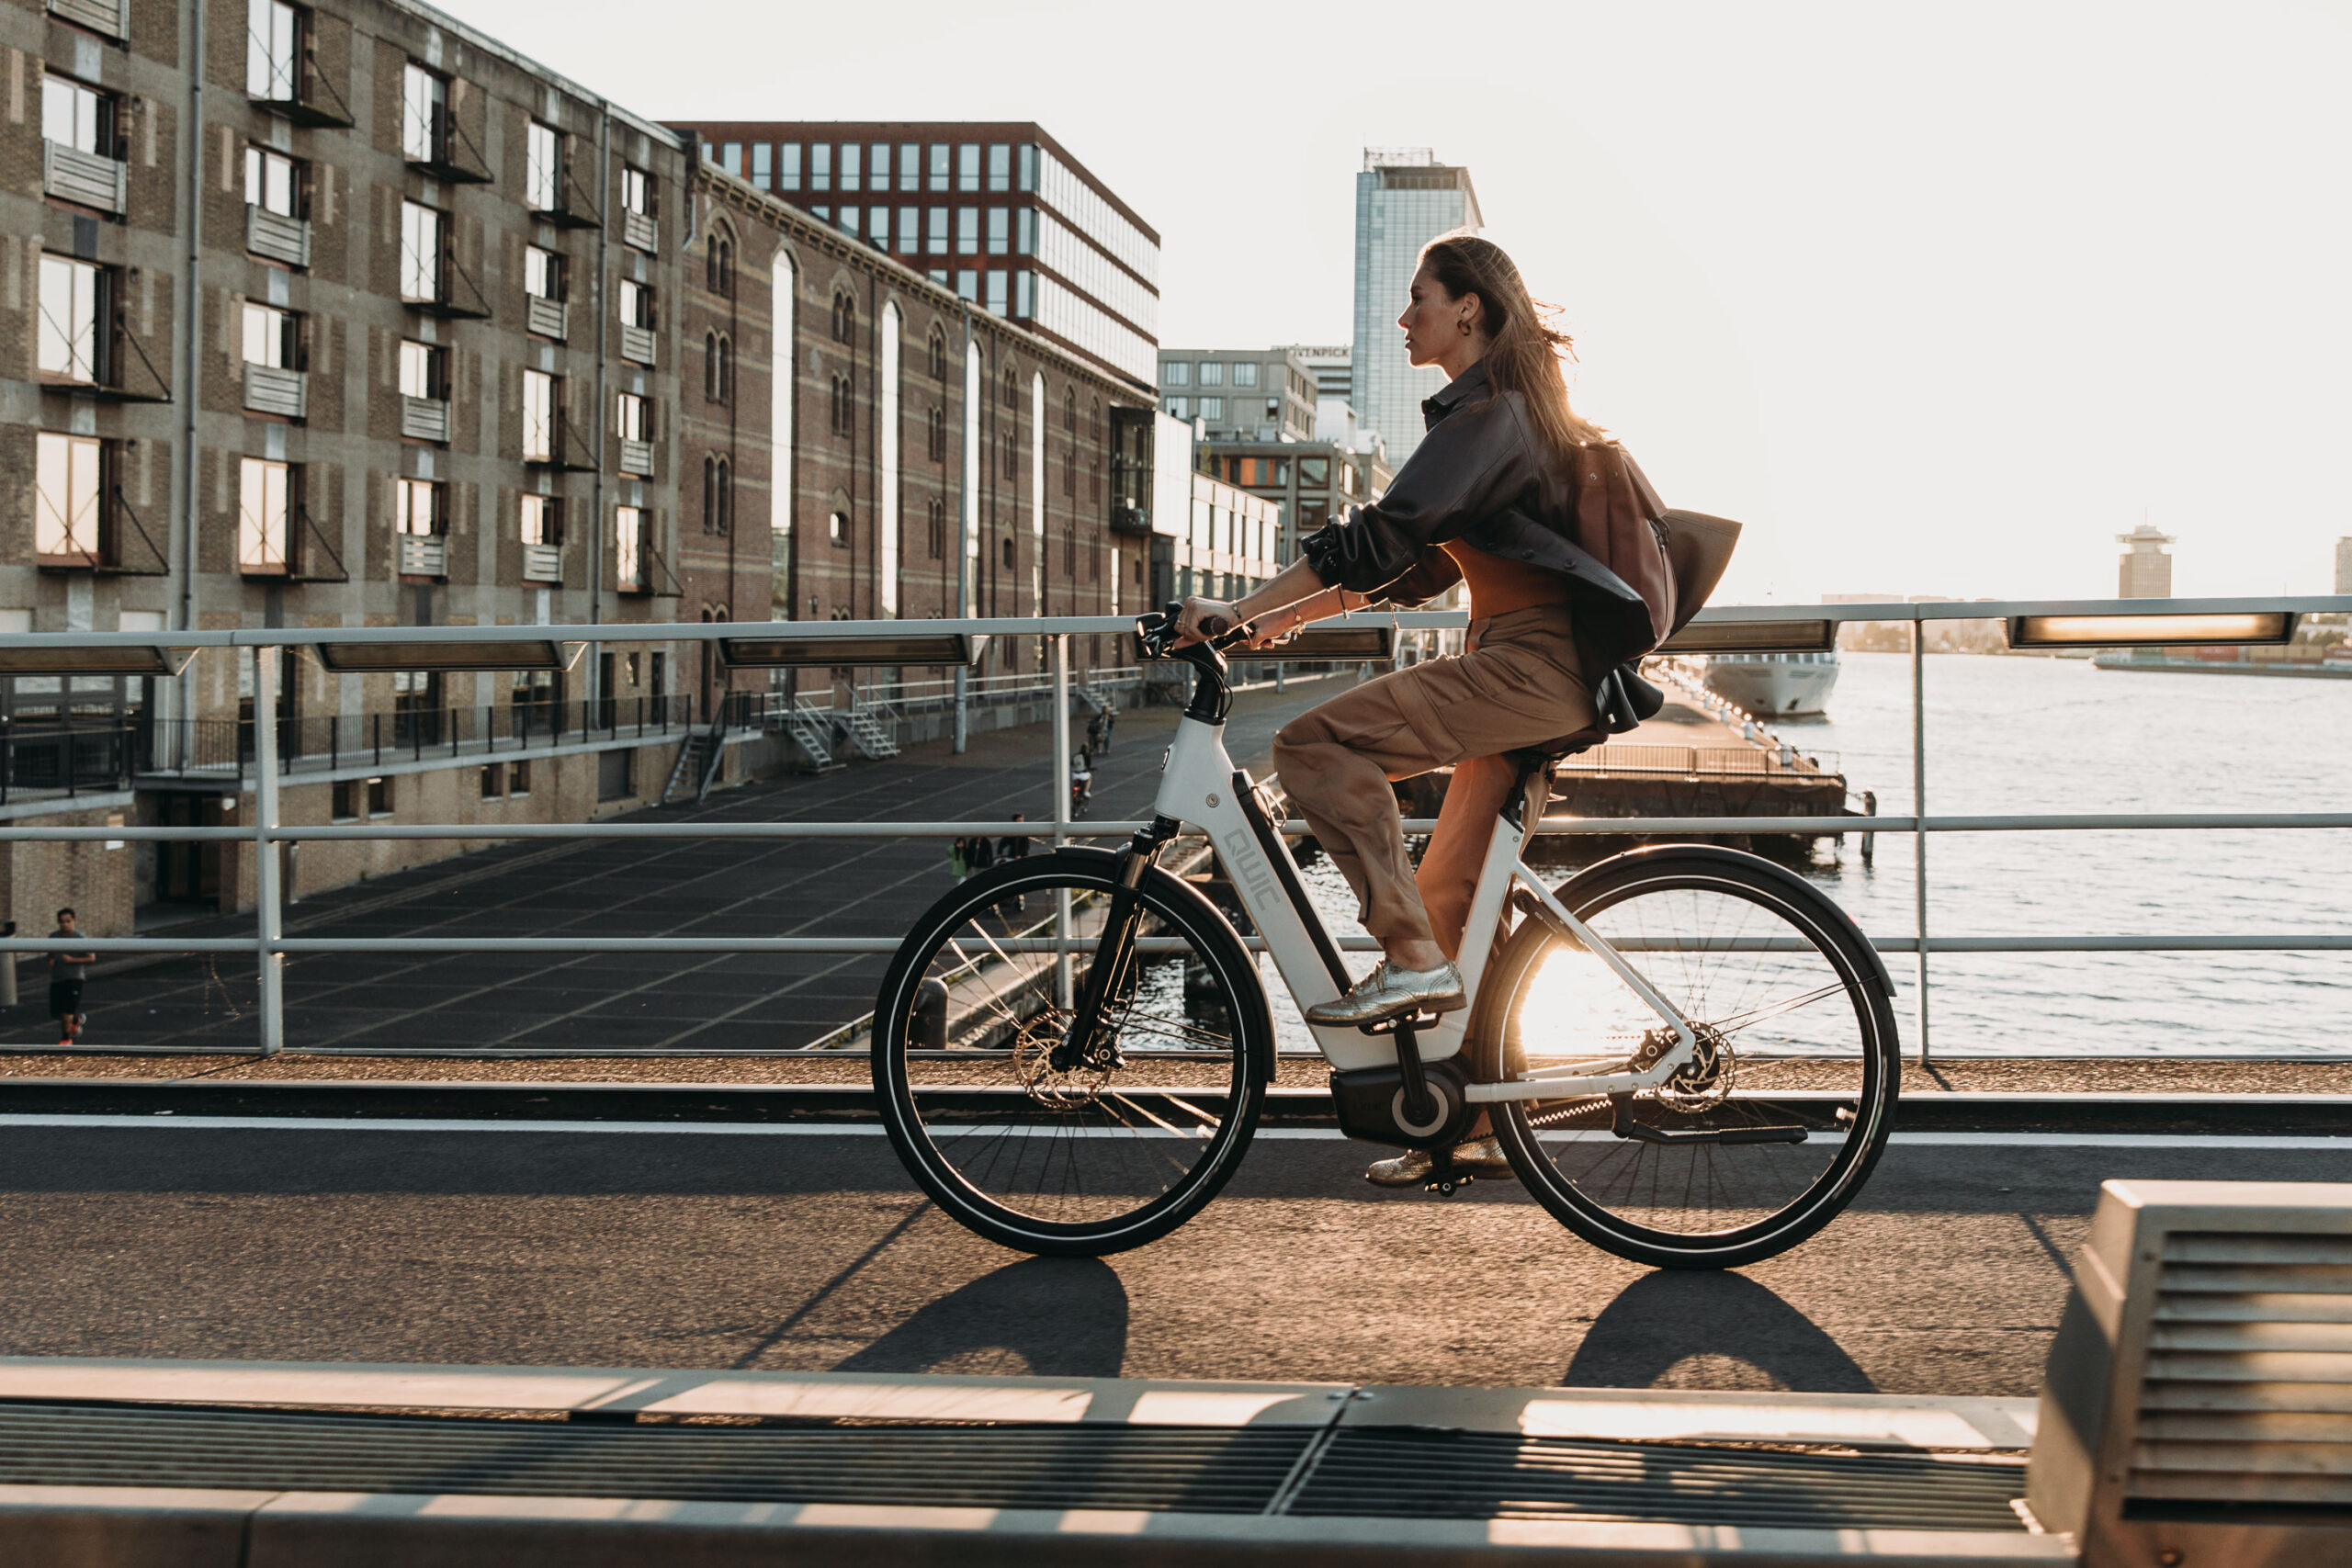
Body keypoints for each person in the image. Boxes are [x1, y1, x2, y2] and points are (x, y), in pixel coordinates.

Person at [1174, 232, 1668, 1187]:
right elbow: (1401, 569)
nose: (1405, 318)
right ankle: (1463, 1127)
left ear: (1469, 309)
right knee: (1445, 896)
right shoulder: (1505, 420)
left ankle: (1403, 959)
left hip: (1534, 668)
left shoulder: (1491, 416)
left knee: (1313, 748)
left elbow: (1380, 535)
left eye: (1419, 300)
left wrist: (1236, 609)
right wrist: (1267, 624)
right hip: (1527, 665)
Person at [48, 908, 96, 1048]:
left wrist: (72, 960)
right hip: (57, 978)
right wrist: (51, 961)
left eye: (68, 921)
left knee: (67, 1010)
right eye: (62, 922)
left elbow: (91, 957)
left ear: (74, 921)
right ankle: (76, 1019)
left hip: (74, 978)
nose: (65, 924)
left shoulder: (79, 938)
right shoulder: (53, 937)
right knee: (56, 1013)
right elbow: (50, 955)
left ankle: (66, 1039)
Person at [1000, 810, 1032, 912]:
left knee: (1020, 882)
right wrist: (999, 852)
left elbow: (1026, 847)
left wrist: (1020, 855)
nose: (1021, 823)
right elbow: (1003, 841)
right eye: (1019, 821)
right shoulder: (1012, 833)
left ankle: (1021, 900)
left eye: (1022, 821)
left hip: (1021, 859)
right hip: (1012, 857)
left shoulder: (1024, 834)